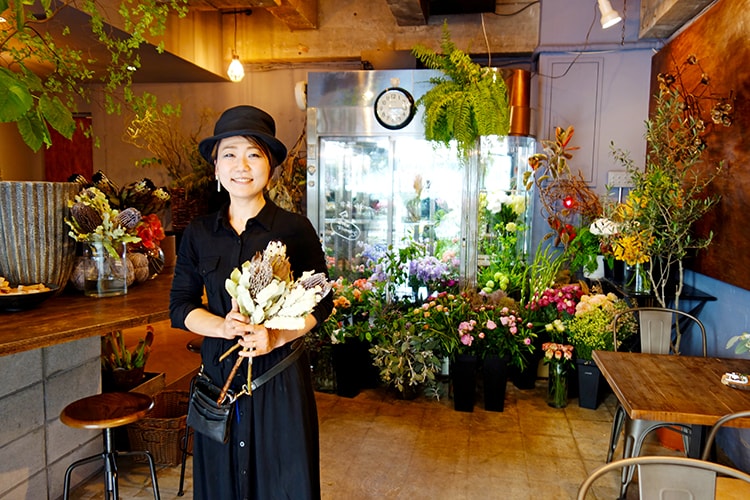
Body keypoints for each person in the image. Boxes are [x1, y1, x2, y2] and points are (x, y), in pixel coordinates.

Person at [170, 105, 332, 499]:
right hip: (219, 388)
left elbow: (321, 301)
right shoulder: (197, 234)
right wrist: (221, 326)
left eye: (253, 153)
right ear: (216, 168)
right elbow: (180, 306)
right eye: (229, 154)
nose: (241, 165)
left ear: (270, 165)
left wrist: (275, 338)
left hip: (278, 384)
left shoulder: (294, 229)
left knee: (283, 483)